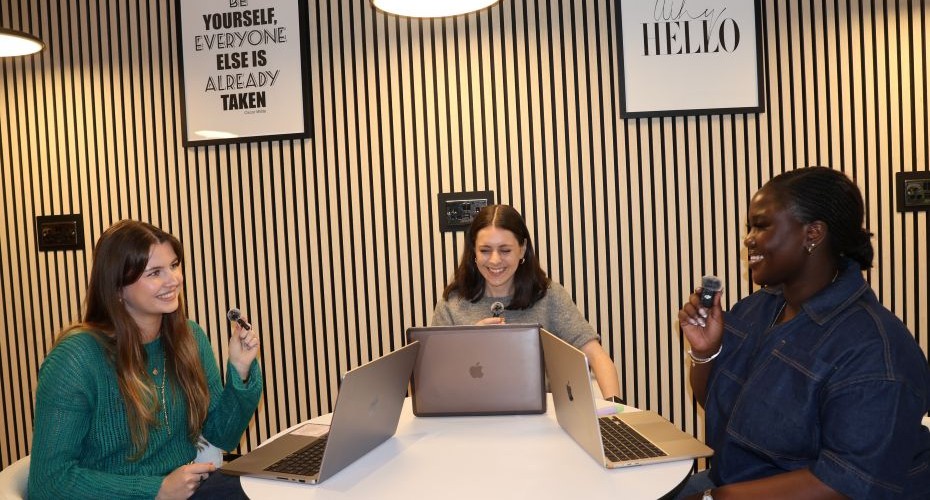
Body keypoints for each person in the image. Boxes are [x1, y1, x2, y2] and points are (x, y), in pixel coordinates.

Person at [677, 167, 930, 499]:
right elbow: (713, 402)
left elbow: (844, 484)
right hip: (733, 482)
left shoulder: (876, 350)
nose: (748, 239)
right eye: (749, 228)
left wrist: (713, 498)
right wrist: (705, 352)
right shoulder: (755, 310)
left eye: (761, 226)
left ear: (813, 234)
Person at [28, 220, 264, 500]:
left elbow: (221, 435)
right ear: (117, 287)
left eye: (174, 265)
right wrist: (156, 490)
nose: (173, 280)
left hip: (190, 490)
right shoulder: (75, 358)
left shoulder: (189, 337)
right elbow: (49, 483)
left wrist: (240, 369)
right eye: (154, 273)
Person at [432, 204, 622, 400]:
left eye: (505, 250)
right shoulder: (451, 304)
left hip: (539, 414)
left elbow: (596, 356)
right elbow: (431, 377)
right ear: (474, 251)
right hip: (467, 410)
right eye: (485, 250)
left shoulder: (549, 296)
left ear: (522, 250)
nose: (495, 260)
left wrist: (615, 409)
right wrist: (466, 345)